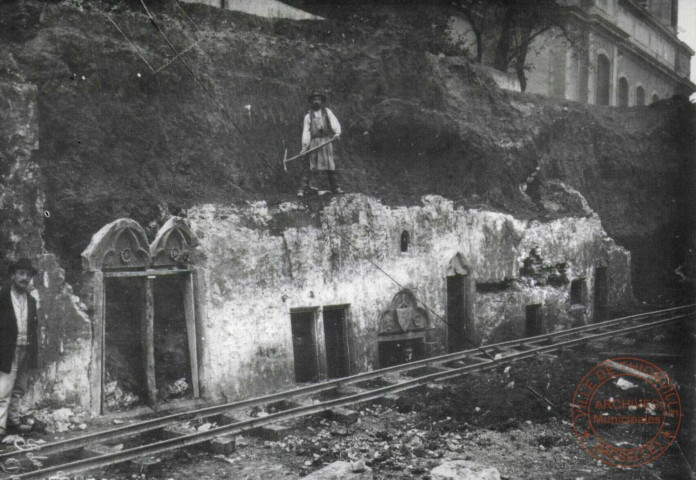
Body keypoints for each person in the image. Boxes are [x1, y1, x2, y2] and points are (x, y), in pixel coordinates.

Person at [0, 258, 39, 438]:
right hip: (8, 349)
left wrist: (33, 353)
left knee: (19, 388)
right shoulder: (3, 296)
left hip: (26, 348)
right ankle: (0, 427)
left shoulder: (30, 300)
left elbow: (33, 328)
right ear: (13, 275)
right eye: (21, 273)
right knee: (4, 388)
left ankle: (13, 422)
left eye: (28, 274)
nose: (25, 278)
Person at [298, 92, 343, 197]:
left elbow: (334, 122)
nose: (316, 101)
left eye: (318, 99)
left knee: (329, 164)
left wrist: (337, 133)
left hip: (326, 142)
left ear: (322, 101)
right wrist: (304, 147)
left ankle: (335, 188)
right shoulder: (308, 116)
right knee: (312, 165)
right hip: (314, 143)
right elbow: (306, 132)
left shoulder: (327, 112)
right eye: (314, 99)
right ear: (311, 102)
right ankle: (303, 189)